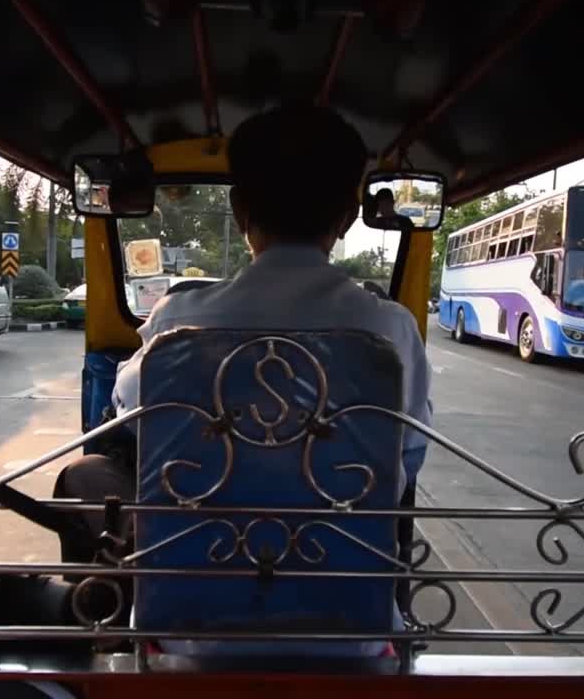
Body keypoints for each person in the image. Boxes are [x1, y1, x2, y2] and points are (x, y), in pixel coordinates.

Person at [54, 103, 433, 565]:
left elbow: (131, 417)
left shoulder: (177, 321)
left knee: (87, 473)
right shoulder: (390, 329)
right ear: (350, 217)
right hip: (351, 604)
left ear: (238, 212)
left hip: (182, 607)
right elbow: (408, 456)